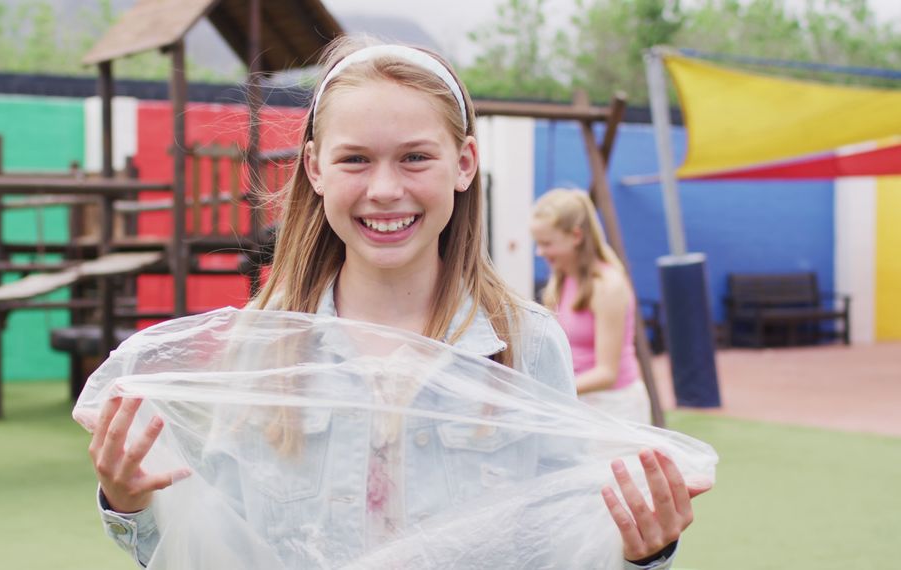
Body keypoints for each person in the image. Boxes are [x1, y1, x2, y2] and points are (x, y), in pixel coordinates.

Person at [88, 37, 705, 569]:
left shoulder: (525, 342)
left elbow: (559, 542)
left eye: (415, 157)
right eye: (355, 159)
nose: (385, 190)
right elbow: (215, 548)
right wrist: (133, 506)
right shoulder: (263, 343)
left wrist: (640, 553)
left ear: (463, 165)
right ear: (315, 168)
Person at [531, 188, 651, 424]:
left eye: (546, 243)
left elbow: (607, 373)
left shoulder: (608, 286)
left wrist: (546, 393)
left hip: (614, 407)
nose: (539, 252)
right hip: (578, 402)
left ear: (576, 236)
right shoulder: (561, 279)